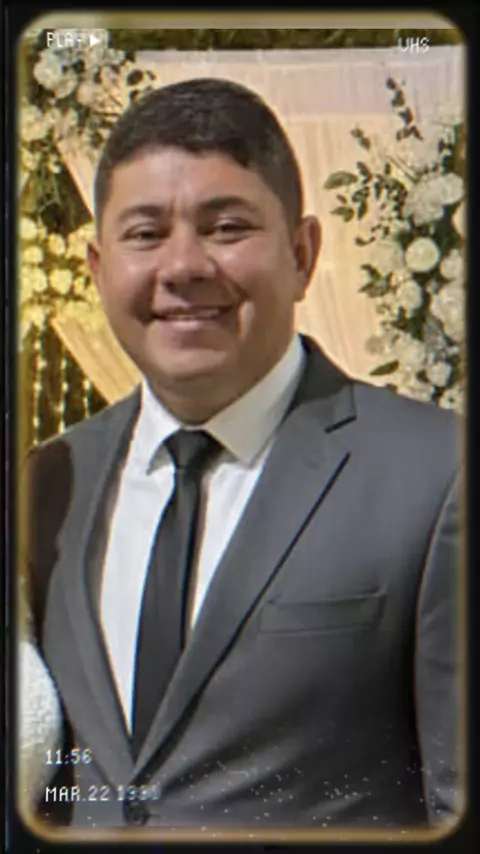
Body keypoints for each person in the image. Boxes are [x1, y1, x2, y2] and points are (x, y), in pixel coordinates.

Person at [23, 77, 463, 835]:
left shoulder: (438, 474)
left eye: (226, 227)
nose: (183, 265)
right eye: (145, 234)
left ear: (302, 252)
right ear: (97, 268)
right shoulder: (51, 481)